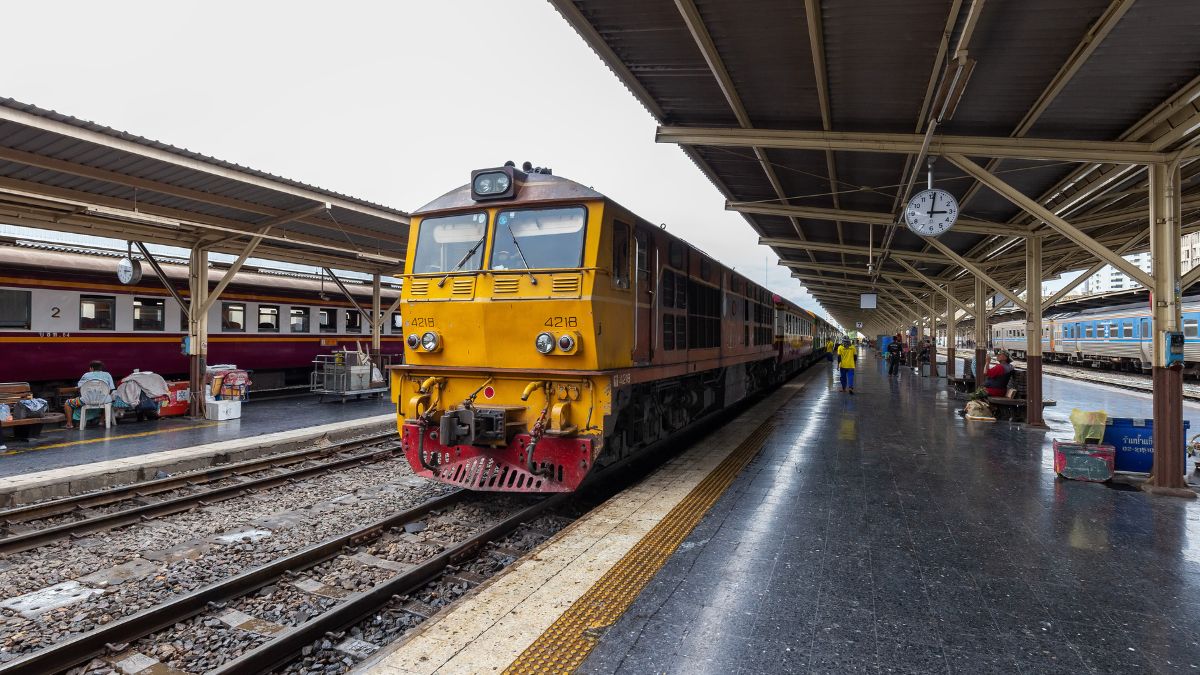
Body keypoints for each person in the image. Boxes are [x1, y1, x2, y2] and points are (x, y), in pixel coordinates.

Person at [64, 360, 116, 429]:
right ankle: (101, 421)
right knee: (109, 402)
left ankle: (69, 423)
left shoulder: (86, 375)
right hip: (104, 400)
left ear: (91, 368)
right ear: (101, 368)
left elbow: (80, 388)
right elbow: (111, 389)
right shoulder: (107, 375)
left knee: (67, 403)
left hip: (86, 401)